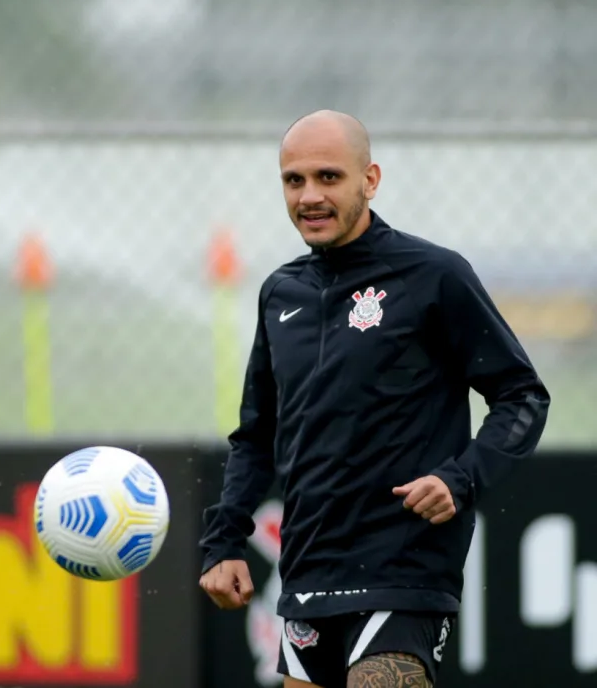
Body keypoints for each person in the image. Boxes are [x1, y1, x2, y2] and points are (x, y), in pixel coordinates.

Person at [197, 110, 551, 688]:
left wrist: (460, 479)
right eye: (294, 180)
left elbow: (522, 398)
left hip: (403, 566)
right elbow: (257, 434)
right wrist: (224, 542)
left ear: (371, 179)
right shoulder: (280, 292)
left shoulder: (432, 275)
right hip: (307, 570)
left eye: (328, 177)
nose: (309, 196)